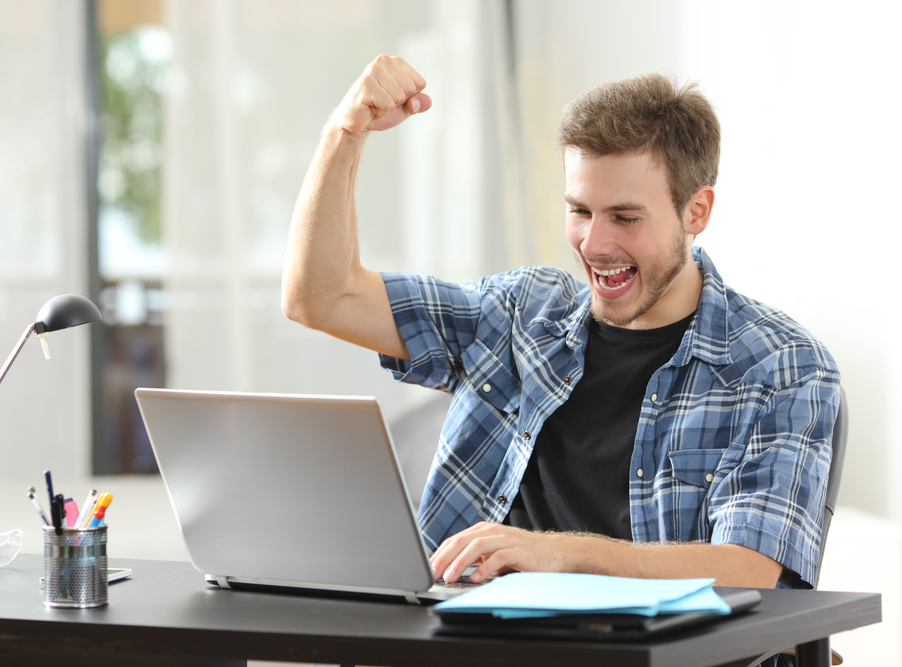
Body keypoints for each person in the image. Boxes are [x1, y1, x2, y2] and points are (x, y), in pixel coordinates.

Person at [282, 55, 839, 595]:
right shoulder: (517, 315)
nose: (594, 245)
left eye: (625, 217)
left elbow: (752, 569)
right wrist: (345, 133)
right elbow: (321, 297)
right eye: (580, 210)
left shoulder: (780, 364)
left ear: (696, 211)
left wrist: (554, 552)